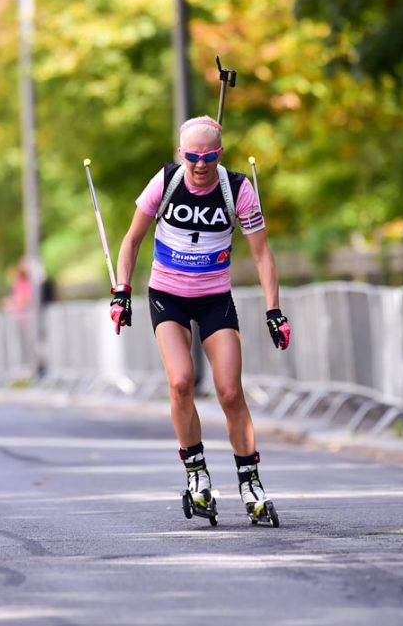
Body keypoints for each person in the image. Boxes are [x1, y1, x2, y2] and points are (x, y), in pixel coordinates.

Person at [110, 115, 291, 523]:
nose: (199, 164)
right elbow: (132, 239)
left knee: (229, 391)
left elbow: (262, 254)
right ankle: (196, 474)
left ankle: (250, 481)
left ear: (219, 155)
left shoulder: (238, 188)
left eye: (208, 157)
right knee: (181, 382)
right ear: (180, 153)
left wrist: (273, 311)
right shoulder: (166, 181)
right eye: (192, 156)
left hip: (214, 299)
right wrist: (122, 291)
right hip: (167, 296)